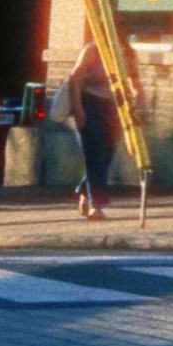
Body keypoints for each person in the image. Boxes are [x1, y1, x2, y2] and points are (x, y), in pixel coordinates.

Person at [63, 42, 121, 223]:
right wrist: (78, 108)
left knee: (107, 154)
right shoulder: (93, 50)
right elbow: (75, 77)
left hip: (115, 107)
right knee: (95, 154)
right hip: (90, 104)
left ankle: (84, 190)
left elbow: (133, 78)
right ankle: (97, 205)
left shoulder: (124, 52)